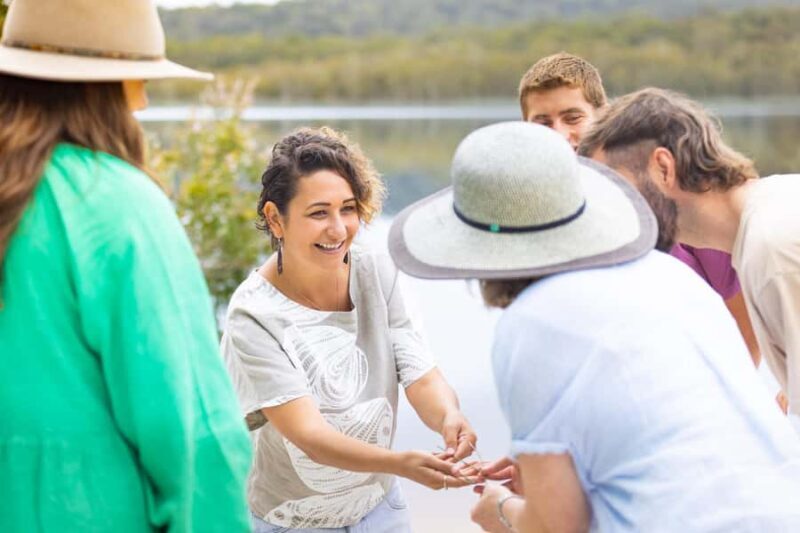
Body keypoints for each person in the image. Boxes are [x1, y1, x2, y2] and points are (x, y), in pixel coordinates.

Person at [389, 121, 800, 532]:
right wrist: (553, 470)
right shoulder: (667, 274)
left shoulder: (531, 322)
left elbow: (556, 527)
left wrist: (500, 511)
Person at [0, 1, 252, 531]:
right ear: (109, 86)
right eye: (140, 78)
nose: (145, 97)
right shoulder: (112, 202)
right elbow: (193, 432)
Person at [221, 127, 478, 532]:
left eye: (349, 208)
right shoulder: (252, 315)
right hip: (290, 520)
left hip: (378, 511)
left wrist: (449, 416)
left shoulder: (376, 269)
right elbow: (309, 435)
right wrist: (401, 464)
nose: (339, 229)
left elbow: (418, 371)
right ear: (276, 219)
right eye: (318, 213)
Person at [519, 52, 761, 369]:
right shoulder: (529, 220)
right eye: (543, 122)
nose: (559, 134)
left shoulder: (669, 195)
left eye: (573, 117)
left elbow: (739, 310)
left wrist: (738, 387)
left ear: (602, 115)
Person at [579, 88, 800, 421]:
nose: (612, 210)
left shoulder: (771, 249)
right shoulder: (776, 207)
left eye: (617, 187)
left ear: (664, 168)